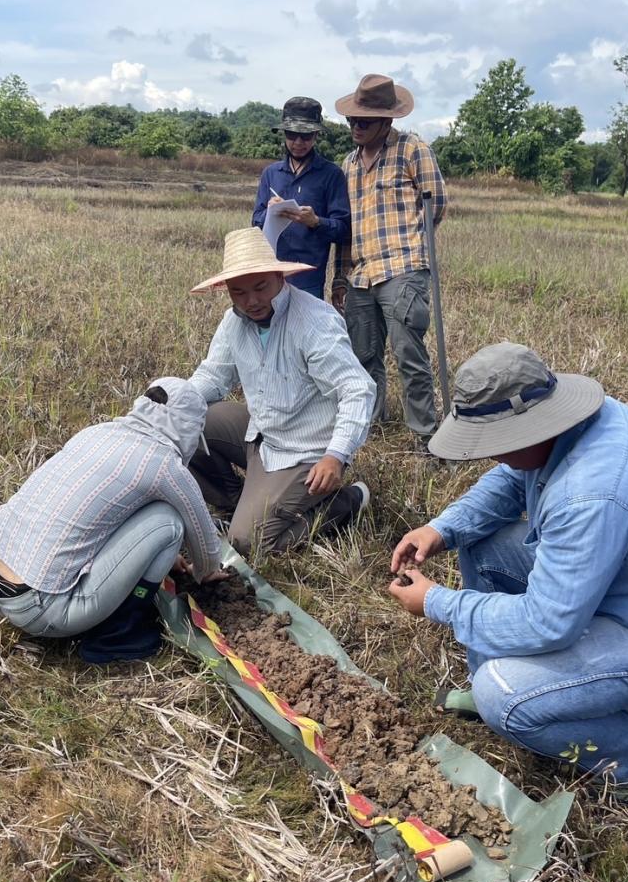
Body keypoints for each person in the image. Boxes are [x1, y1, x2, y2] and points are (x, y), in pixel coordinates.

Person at [387, 343, 628, 803]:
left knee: (505, 696)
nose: (490, 456)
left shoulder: (591, 493)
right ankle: (496, 689)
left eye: (496, 444)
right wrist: (442, 529)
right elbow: (509, 480)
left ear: (527, 429)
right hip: (624, 587)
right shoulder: (566, 429)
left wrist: (436, 602)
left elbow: (547, 623)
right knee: (482, 545)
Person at [0, 378, 228, 663]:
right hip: (39, 608)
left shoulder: (97, 432)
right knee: (170, 523)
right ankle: (117, 635)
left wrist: (164, 558)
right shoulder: (164, 465)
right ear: (187, 428)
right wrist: (206, 571)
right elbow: (205, 542)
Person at [187, 227, 376, 557]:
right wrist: (167, 406)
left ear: (280, 276)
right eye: (239, 292)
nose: (252, 301)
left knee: (249, 543)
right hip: (263, 431)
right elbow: (213, 377)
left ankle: (346, 502)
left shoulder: (313, 322)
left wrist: (335, 456)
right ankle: (241, 504)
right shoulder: (234, 322)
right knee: (187, 422)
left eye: (261, 287)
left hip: (307, 449)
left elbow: (357, 389)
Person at [331, 74, 447, 452]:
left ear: (387, 120)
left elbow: (436, 204)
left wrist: (412, 243)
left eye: (363, 121)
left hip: (402, 267)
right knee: (363, 357)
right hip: (360, 273)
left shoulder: (412, 149)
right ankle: (372, 427)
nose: (355, 127)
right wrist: (339, 277)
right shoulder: (347, 165)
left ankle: (424, 435)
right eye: (352, 120)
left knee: (408, 353)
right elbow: (344, 227)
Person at [251, 97, 350, 301]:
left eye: (305, 136)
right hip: (271, 274)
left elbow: (343, 229)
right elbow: (255, 221)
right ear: (284, 134)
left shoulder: (331, 175)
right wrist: (269, 212)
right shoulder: (271, 173)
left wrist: (316, 222)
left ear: (315, 135)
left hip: (309, 278)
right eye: (292, 135)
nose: (298, 142)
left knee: (306, 332)